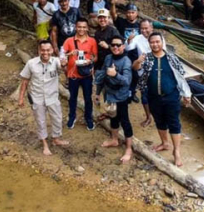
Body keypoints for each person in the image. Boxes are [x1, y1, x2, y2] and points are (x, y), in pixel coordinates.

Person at [135, 33, 191, 167]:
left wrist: (186, 94)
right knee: (159, 121)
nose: (155, 44)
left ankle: (176, 151)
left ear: (162, 42)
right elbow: (135, 68)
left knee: (174, 123)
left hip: (171, 96)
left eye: (157, 42)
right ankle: (165, 143)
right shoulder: (146, 58)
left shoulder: (171, 57)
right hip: (153, 96)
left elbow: (181, 76)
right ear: (149, 44)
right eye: (152, 42)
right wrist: (138, 61)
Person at [18, 40, 69, 156]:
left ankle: (56, 139)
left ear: (52, 50)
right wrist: (20, 98)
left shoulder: (56, 61)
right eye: (43, 50)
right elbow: (25, 81)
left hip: (52, 97)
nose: (45, 53)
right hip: (37, 98)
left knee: (57, 118)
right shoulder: (31, 63)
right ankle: (45, 144)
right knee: (41, 121)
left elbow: (67, 72)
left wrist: (65, 64)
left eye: (48, 50)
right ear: (39, 51)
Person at [95, 35, 133, 163]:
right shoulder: (108, 58)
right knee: (113, 117)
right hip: (109, 94)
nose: (115, 47)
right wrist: (97, 92)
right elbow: (102, 75)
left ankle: (129, 149)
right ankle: (114, 139)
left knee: (125, 121)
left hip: (121, 96)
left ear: (123, 46)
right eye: (113, 45)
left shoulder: (126, 61)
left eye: (118, 45)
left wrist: (116, 74)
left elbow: (127, 81)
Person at [128, 19, 166, 127]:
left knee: (159, 95)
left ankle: (160, 116)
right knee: (144, 96)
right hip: (143, 73)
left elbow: (164, 52)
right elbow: (129, 48)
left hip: (157, 71)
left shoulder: (159, 38)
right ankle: (148, 117)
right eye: (142, 28)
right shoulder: (138, 38)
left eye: (146, 28)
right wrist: (129, 41)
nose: (144, 31)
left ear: (151, 28)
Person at [62, 18, 98, 130]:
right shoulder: (69, 40)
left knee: (88, 98)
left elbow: (95, 57)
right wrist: (68, 55)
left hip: (86, 75)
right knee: (72, 98)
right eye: (79, 27)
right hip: (73, 75)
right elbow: (62, 55)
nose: (81, 29)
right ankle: (72, 117)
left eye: (84, 27)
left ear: (87, 28)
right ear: (75, 27)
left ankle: (89, 118)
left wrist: (90, 61)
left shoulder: (92, 41)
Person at [110, 0, 141, 102]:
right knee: (124, 73)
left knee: (135, 75)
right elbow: (114, 16)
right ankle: (123, 92)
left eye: (133, 12)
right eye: (128, 12)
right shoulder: (122, 22)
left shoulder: (140, 26)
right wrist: (113, 4)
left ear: (136, 13)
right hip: (124, 54)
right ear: (125, 13)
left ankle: (132, 93)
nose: (130, 15)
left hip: (136, 54)